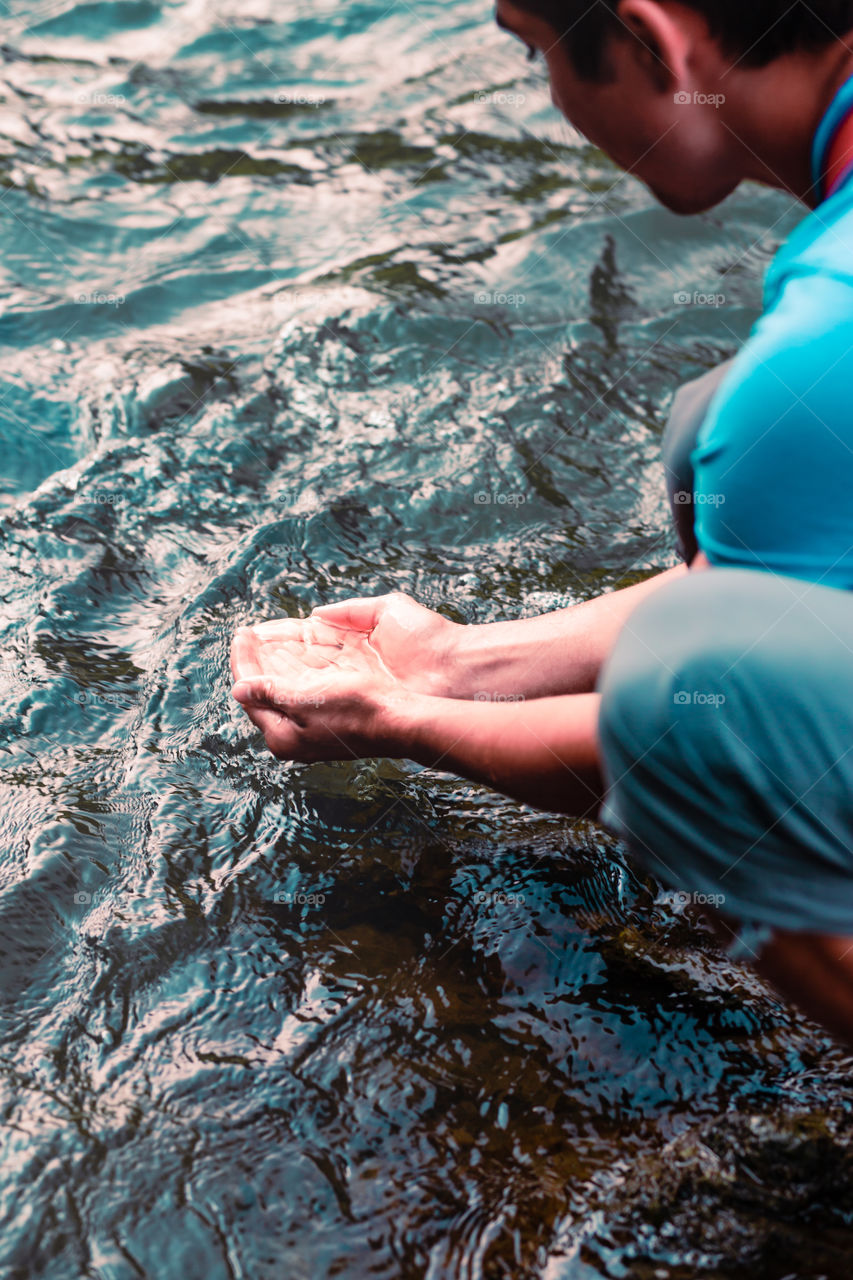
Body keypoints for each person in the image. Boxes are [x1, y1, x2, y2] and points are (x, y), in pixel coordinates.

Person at [232, 0, 853, 1046]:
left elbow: (693, 717)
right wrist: (456, 662)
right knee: (715, 443)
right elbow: (798, 596)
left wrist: (405, 724)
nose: (552, 99)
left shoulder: (823, 343)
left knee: (682, 684)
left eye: (536, 55)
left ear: (652, 44)